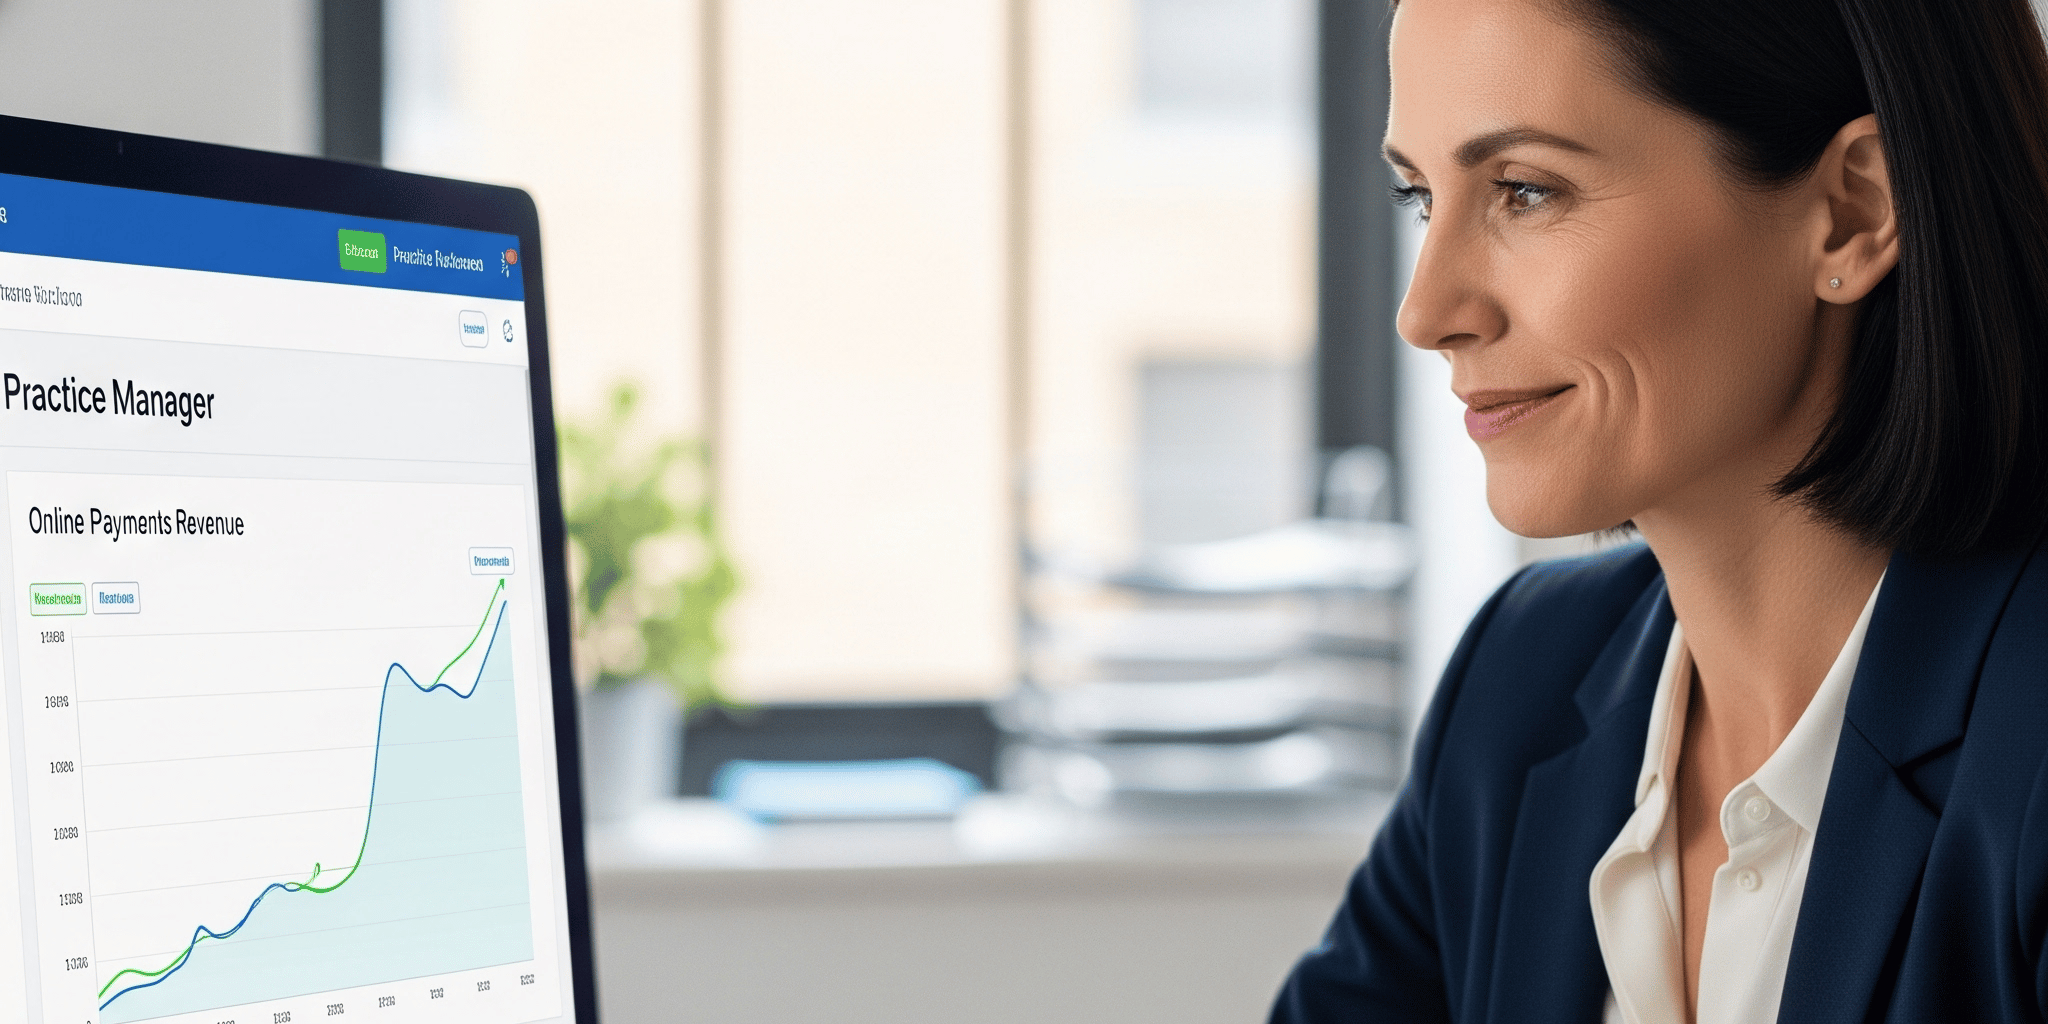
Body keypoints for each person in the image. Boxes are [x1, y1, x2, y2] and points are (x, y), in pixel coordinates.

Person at [1269, 0, 2048, 1021]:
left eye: (1523, 191)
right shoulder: (1519, 685)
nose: (1426, 312)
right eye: (1421, 197)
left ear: (1852, 211)